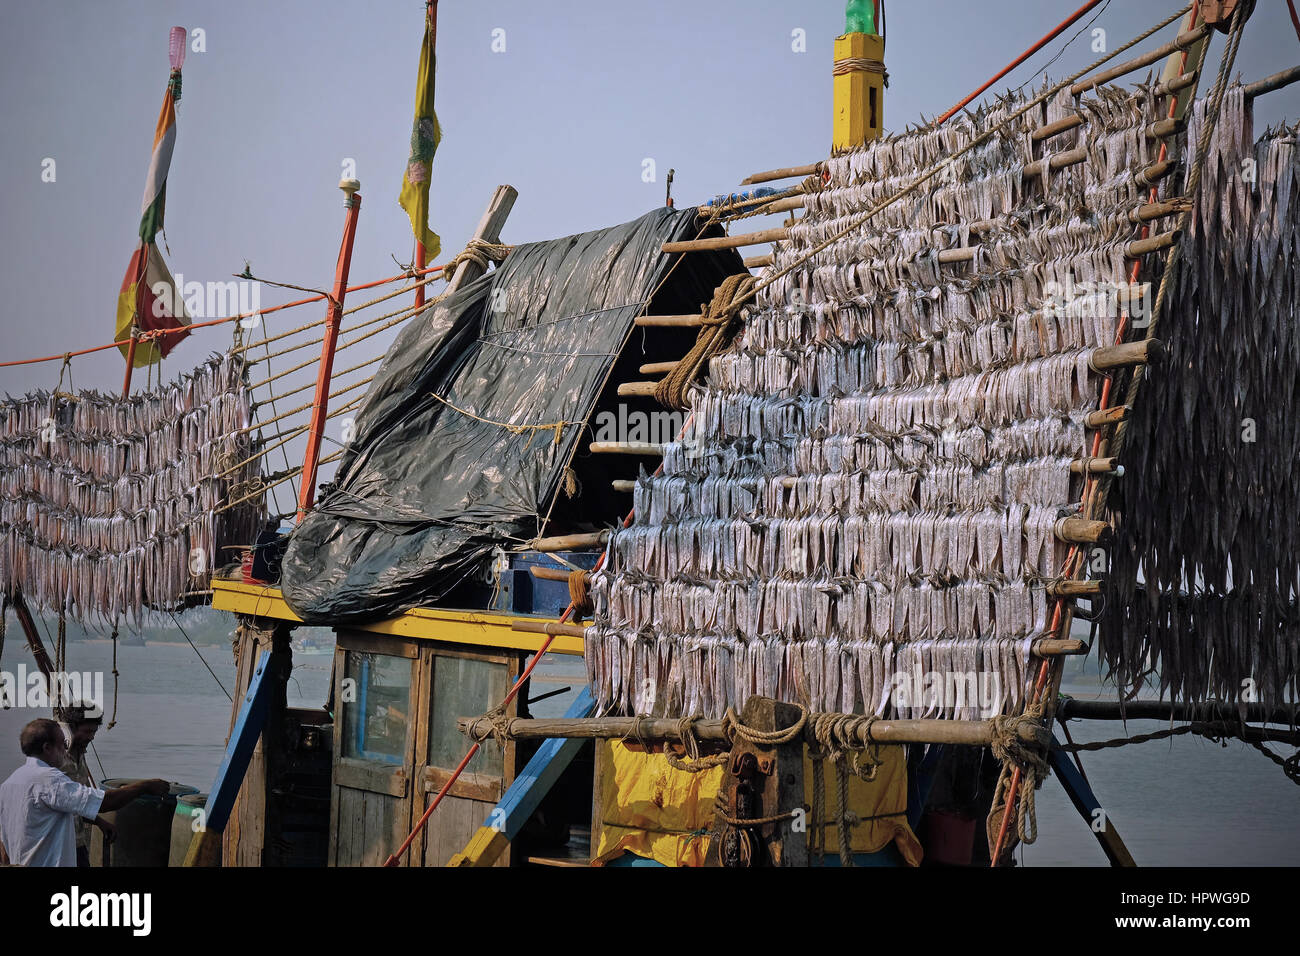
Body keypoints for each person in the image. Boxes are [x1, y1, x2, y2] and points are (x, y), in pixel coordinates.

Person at [0, 718, 168, 867]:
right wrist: (144, 787)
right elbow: (104, 803)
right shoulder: (49, 780)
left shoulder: (10, 784)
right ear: (47, 748)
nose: (66, 750)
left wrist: (99, 822)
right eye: (63, 744)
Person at [56, 703, 109, 867]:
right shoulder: (57, 757)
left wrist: (100, 822)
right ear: (71, 728)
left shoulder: (80, 752)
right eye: (87, 731)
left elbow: (81, 800)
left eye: (94, 732)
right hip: (59, 843)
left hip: (78, 841)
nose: (91, 737)